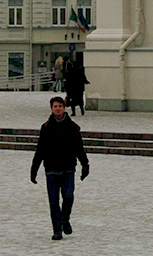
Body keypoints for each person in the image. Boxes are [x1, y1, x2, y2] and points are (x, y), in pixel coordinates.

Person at [30, 96, 90, 241]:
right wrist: (34, 169)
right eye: (55, 106)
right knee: (53, 201)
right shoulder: (46, 127)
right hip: (51, 169)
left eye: (60, 106)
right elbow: (40, 149)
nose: (58, 109)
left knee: (68, 197)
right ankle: (57, 230)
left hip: (68, 167)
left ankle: (65, 219)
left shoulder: (73, 127)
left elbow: (79, 147)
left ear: (64, 108)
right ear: (51, 109)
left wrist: (85, 164)